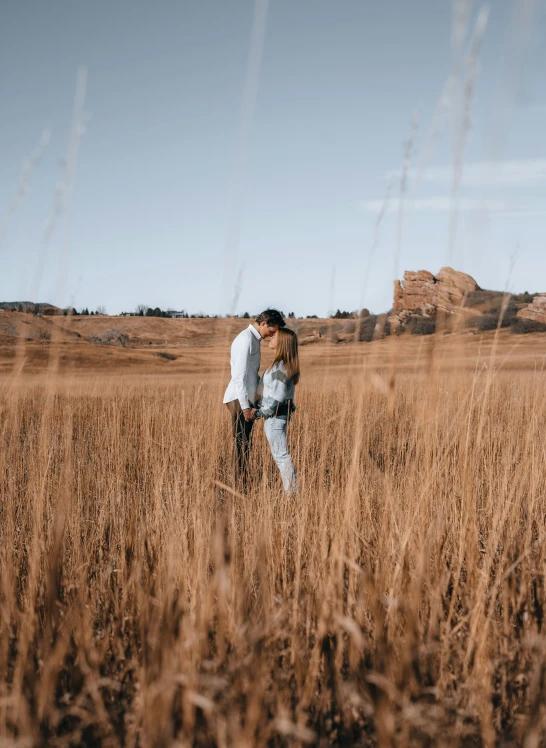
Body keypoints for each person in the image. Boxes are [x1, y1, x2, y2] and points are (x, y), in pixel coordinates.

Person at [223, 309, 285, 482]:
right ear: (264, 323)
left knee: (245, 444)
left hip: (247, 400)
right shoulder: (245, 340)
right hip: (239, 400)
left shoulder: (253, 340)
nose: (272, 335)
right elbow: (239, 377)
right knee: (241, 445)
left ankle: (241, 483)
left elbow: (251, 375)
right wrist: (245, 407)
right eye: (272, 331)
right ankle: (238, 486)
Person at [255, 327, 299, 495]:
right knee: (280, 455)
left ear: (282, 342)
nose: (270, 337)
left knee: (281, 456)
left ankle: (292, 494)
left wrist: (259, 413)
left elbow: (277, 396)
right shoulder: (281, 364)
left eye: (275, 336)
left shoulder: (281, 367)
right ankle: (291, 492)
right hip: (275, 416)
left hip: (274, 417)